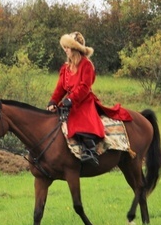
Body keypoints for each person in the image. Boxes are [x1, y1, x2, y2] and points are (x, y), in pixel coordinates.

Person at [46, 31, 132, 165]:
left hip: (84, 101)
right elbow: (60, 88)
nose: (66, 50)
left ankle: (91, 151)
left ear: (75, 49)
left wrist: (71, 100)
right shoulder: (66, 68)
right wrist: (53, 101)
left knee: (80, 121)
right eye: (65, 47)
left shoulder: (87, 65)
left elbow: (85, 87)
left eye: (68, 47)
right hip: (70, 102)